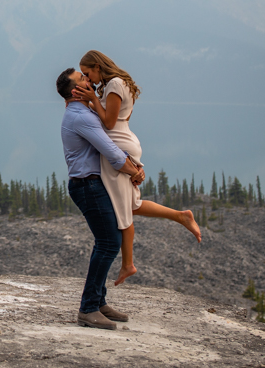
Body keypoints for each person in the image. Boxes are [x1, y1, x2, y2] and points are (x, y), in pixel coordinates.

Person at [73, 50, 201, 287]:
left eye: (88, 73)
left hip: (117, 147)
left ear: (98, 67)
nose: (87, 79)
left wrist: (91, 99)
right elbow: (122, 118)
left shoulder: (113, 85)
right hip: (125, 141)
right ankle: (181, 216)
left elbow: (109, 123)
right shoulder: (122, 83)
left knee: (123, 210)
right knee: (132, 204)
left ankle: (128, 264)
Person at [57, 67, 144, 330]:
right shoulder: (81, 116)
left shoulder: (84, 112)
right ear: (75, 91)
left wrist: (132, 166)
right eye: (82, 78)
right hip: (87, 186)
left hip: (93, 184)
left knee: (107, 240)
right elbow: (112, 153)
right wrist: (135, 171)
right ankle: (88, 309)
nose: (88, 79)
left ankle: (99, 301)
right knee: (109, 242)